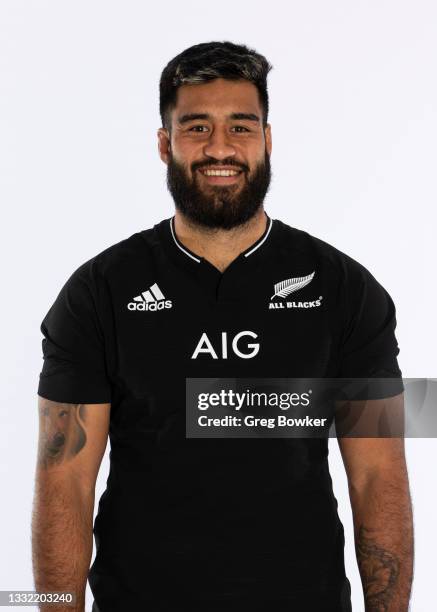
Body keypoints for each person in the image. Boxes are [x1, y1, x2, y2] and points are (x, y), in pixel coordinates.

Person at [32, 41, 414, 611]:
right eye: (196, 127)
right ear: (165, 144)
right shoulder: (100, 293)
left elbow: (378, 476)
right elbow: (65, 481)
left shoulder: (345, 291)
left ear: (266, 140)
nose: (220, 148)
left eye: (241, 127)